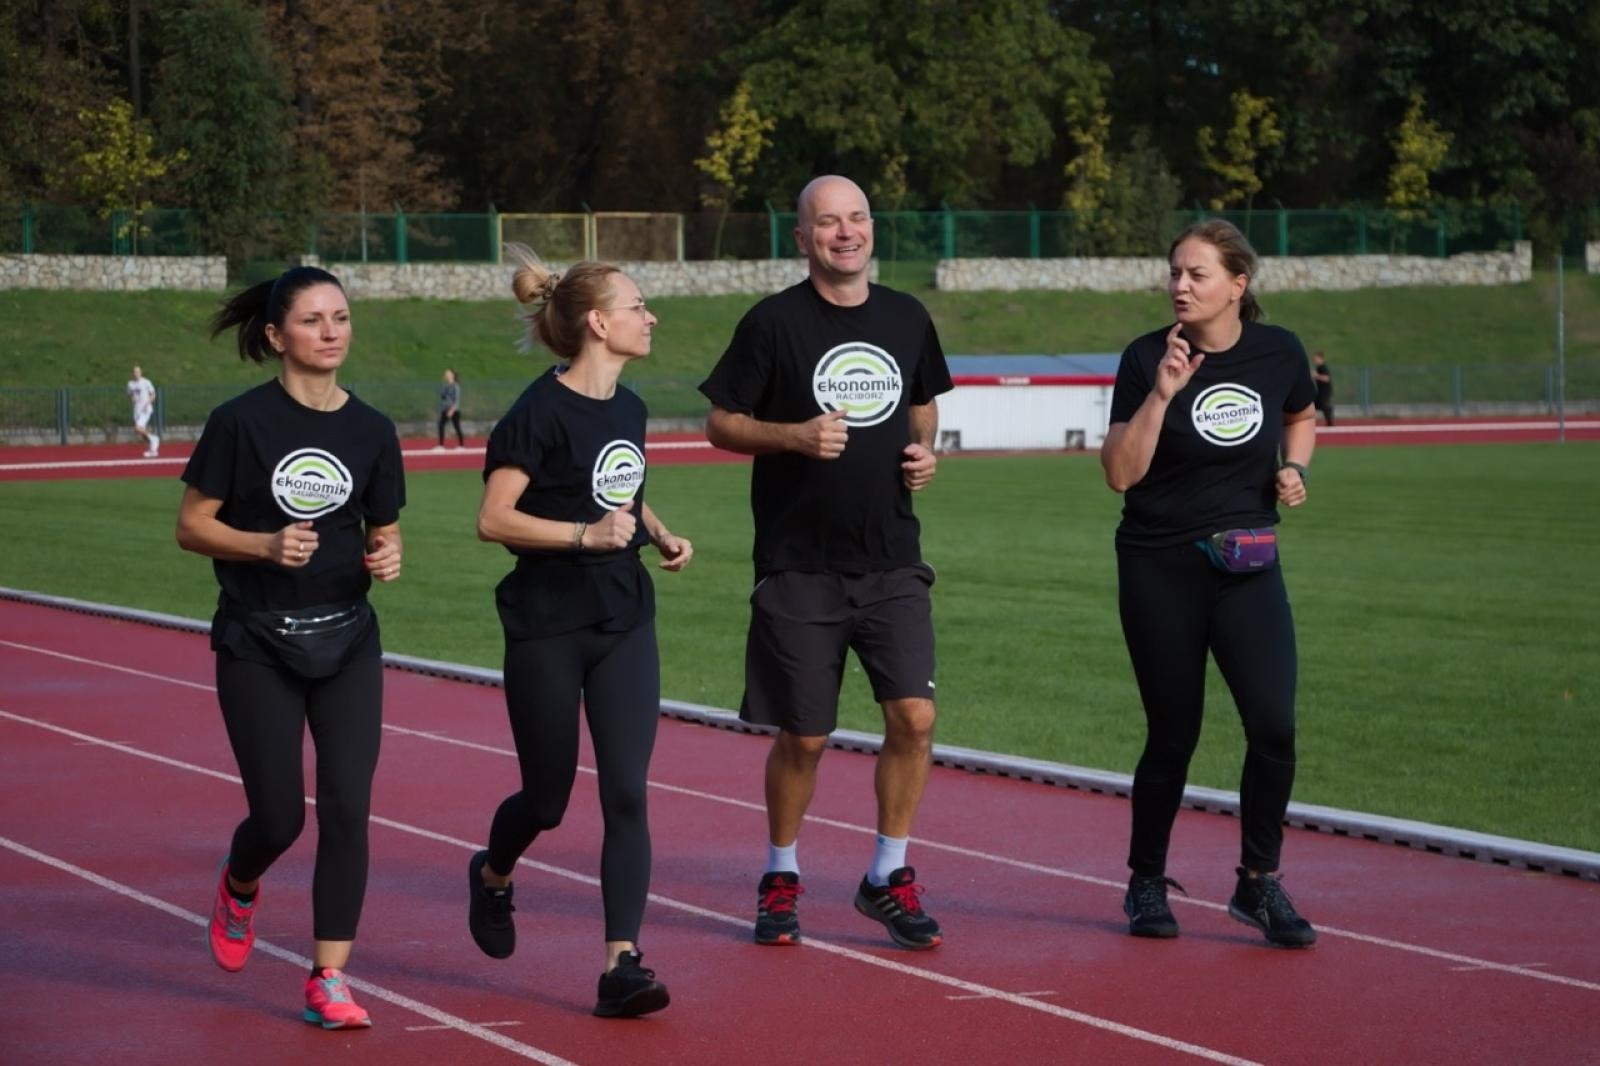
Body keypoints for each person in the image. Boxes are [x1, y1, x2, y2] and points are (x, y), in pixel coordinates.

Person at [699, 175, 953, 951]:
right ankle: (781, 873)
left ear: (872, 229)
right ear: (802, 238)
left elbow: (924, 399)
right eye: (827, 223)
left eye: (857, 219)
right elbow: (720, 422)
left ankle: (887, 874)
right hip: (798, 562)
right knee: (805, 736)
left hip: (892, 560)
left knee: (915, 716)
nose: (846, 233)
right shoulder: (772, 323)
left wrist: (924, 451)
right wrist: (794, 437)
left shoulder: (907, 316)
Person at [175, 265, 406, 1028]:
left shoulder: (372, 429)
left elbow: (384, 525)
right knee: (279, 819)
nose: (331, 331)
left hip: (348, 639)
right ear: (276, 336)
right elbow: (192, 526)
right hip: (257, 641)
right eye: (313, 320)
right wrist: (264, 546)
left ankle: (327, 978)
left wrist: (388, 554)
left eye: (340, 317)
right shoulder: (240, 423)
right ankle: (241, 884)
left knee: (348, 806)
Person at [466, 243, 693, 1019]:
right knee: (550, 797)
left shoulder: (628, 405)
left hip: (624, 617)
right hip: (548, 624)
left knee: (628, 790)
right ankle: (494, 874)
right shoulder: (536, 414)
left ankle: (620, 964)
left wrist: (656, 531)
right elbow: (492, 519)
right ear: (598, 323)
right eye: (636, 306)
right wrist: (580, 539)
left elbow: (617, 486)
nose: (649, 315)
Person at [1099, 219, 1318, 949]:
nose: (1180, 286)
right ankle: (1145, 879)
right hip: (1160, 563)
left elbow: (1301, 414)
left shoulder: (1278, 351)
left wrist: (1296, 468)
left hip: (1248, 565)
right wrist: (1162, 394)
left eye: (1196, 274)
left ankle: (1258, 882)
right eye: (1174, 273)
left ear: (1238, 284)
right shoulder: (1144, 357)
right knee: (1174, 732)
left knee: (1274, 724)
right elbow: (1119, 474)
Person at [128, 364, 160, 456]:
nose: (136, 373)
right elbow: (130, 394)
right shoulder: (130, 384)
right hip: (136, 410)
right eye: (134, 372)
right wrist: (132, 398)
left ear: (141, 372)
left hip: (145, 409)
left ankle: (154, 438)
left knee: (137, 428)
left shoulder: (146, 382)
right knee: (142, 432)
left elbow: (153, 395)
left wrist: (147, 403)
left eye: (138, 372)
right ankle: (153, 450)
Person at [438, 368, 465, 448]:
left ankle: (461, 445)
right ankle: (441, 445)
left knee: (457, 427)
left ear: (452, 375)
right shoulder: (446, 386)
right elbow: (442, 396)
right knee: (441, 425)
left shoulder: (456, 386)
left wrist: (452, 410)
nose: (446, 375)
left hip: (453, 410)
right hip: (445, 409)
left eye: (448, 373)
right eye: (445, 374)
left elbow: (457, 400)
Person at [1311, 351, 1334, 426]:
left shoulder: (1323, 367)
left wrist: (1316, 375)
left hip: (1325, 391)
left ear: (1321, 358)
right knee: (1314, 405)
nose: (1314, 360)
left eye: (1316, 358)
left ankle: (1330, 423)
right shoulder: (1319, 367)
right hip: (1320, 391)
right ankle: (1310, 423)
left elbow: (1327, 378)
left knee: (1324, 405)